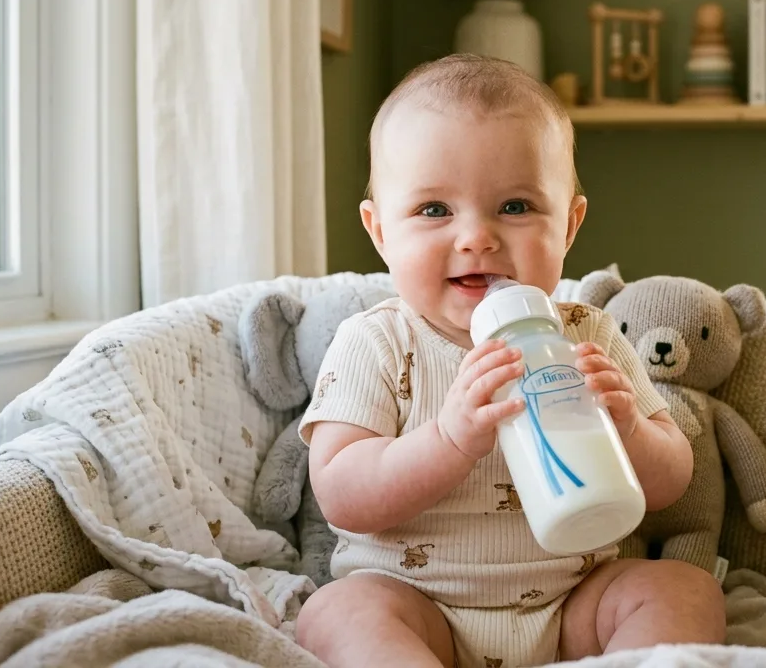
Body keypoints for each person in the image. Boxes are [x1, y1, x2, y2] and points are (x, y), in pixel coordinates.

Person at [295, 54, 725, 668]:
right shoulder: (378, 340)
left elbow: (670, 483)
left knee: (683, 589)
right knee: (337, 613)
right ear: (381, 232)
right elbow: (340, 491)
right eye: (434, 210)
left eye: (516, 207)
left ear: (569, 225)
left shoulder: (587, 334)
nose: (477, 237)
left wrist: (628, 429)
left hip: (571, 606)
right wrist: (448, 439)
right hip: (418, 607)